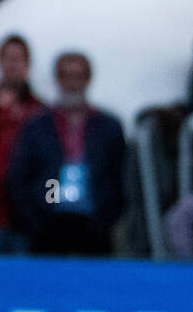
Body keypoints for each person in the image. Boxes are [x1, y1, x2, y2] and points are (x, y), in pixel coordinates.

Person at [7, 52, 126, 255]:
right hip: (49, 223)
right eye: (67, 76)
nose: (73, 83)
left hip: (93, 224)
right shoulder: (37, 124)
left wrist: (108, 214)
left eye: (78, 76)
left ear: (88, 79)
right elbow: (18, 176)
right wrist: (34, 219)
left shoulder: (108, 126)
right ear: (58, 79)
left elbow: (120, 176)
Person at [0, 35, 45, 254]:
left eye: (19, 59)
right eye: (8, 58)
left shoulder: (39, 112)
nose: (13, 64)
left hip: (23, 219)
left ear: (27, 64)